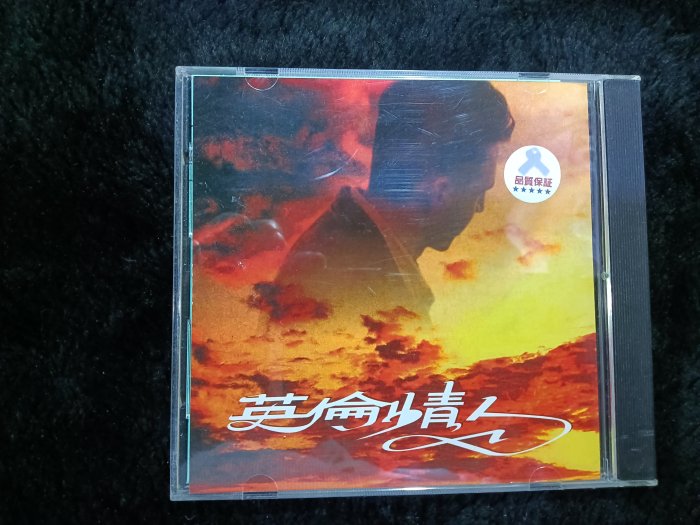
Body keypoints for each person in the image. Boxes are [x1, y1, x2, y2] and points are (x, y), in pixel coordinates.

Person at [275, 80, 514, 321]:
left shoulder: (344, 244)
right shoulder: (361, 284)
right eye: (479, 192)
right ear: (440, 191)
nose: (481, 207)